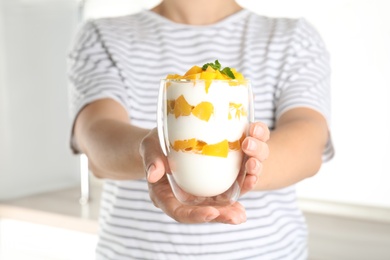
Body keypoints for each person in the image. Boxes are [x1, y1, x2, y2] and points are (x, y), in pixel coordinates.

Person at [67, 0, 334, 259]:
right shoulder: (102, 36)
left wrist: (244, 167)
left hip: (268, 251)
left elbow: (309, 140)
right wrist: (153, 153)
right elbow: (94, 135)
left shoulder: (293, 37)